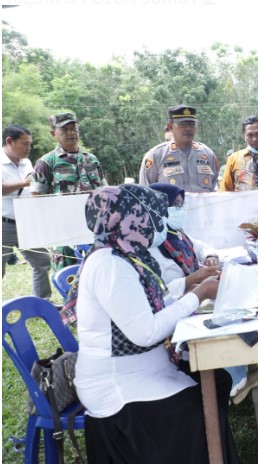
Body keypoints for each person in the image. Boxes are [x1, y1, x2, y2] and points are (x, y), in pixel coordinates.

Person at [67, 184, 239, 463]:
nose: (153, 223)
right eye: (146, 215)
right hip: (118, 385)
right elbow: (145, 332)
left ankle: (219, 455)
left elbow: (152, 305)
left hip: (145, 367)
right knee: (194, 409)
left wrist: (193, 292)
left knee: (218, 380)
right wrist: (198, 295)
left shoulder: (126, 256)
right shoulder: (110, 265)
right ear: (126, 218)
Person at [147, 182, 258, 403]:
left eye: (181, 204)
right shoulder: (152, 245)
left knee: (235, 308)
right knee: (222, 320)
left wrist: (210, 256)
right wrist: (191, 280)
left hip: (195, 297)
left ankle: (240, 370)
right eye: (174, 205)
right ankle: (233, 383)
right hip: (176, 309)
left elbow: (201, 247)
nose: (180, 209)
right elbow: (158, 293)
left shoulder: (177, 234)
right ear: (158, 207)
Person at [31, 112, 107, 269]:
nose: (71, 133)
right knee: (68, 276)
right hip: (64, 234)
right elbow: (36, 198)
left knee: (97, 272)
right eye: (65, 130)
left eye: (74, 128)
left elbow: (104, 191)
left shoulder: (91, 160)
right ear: (54, 134)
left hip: (93, 229)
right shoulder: (46, 162)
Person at [2, 124, 52, 299]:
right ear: (9, 141)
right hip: (4, 223)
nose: (28, 148)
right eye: (24, 144)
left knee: (42, 261)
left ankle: (42, 302)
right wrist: (25, 182)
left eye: (30, 144)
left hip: (26, 222)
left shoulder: (27, 162)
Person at [139, 105, 218, 192]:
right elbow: (145, 191)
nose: (188, 128)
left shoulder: (207, 154)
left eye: (192, 124)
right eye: (182, 124)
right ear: (170, 127)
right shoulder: (156, 156)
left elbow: (213, 187)